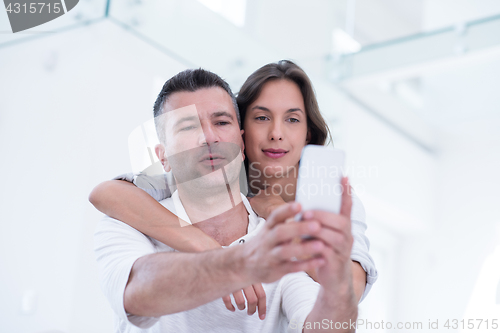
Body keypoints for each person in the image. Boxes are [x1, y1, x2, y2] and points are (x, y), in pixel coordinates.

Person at [90, 61, 377, 316]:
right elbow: (108, 194)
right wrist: (211, 249)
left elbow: (344, 292)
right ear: (244, 133)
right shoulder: (201, 171)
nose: (276, 133)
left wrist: (279, 213)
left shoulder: (325, 201)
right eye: (262, 117)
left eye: (292, 119)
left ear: (308, 135)